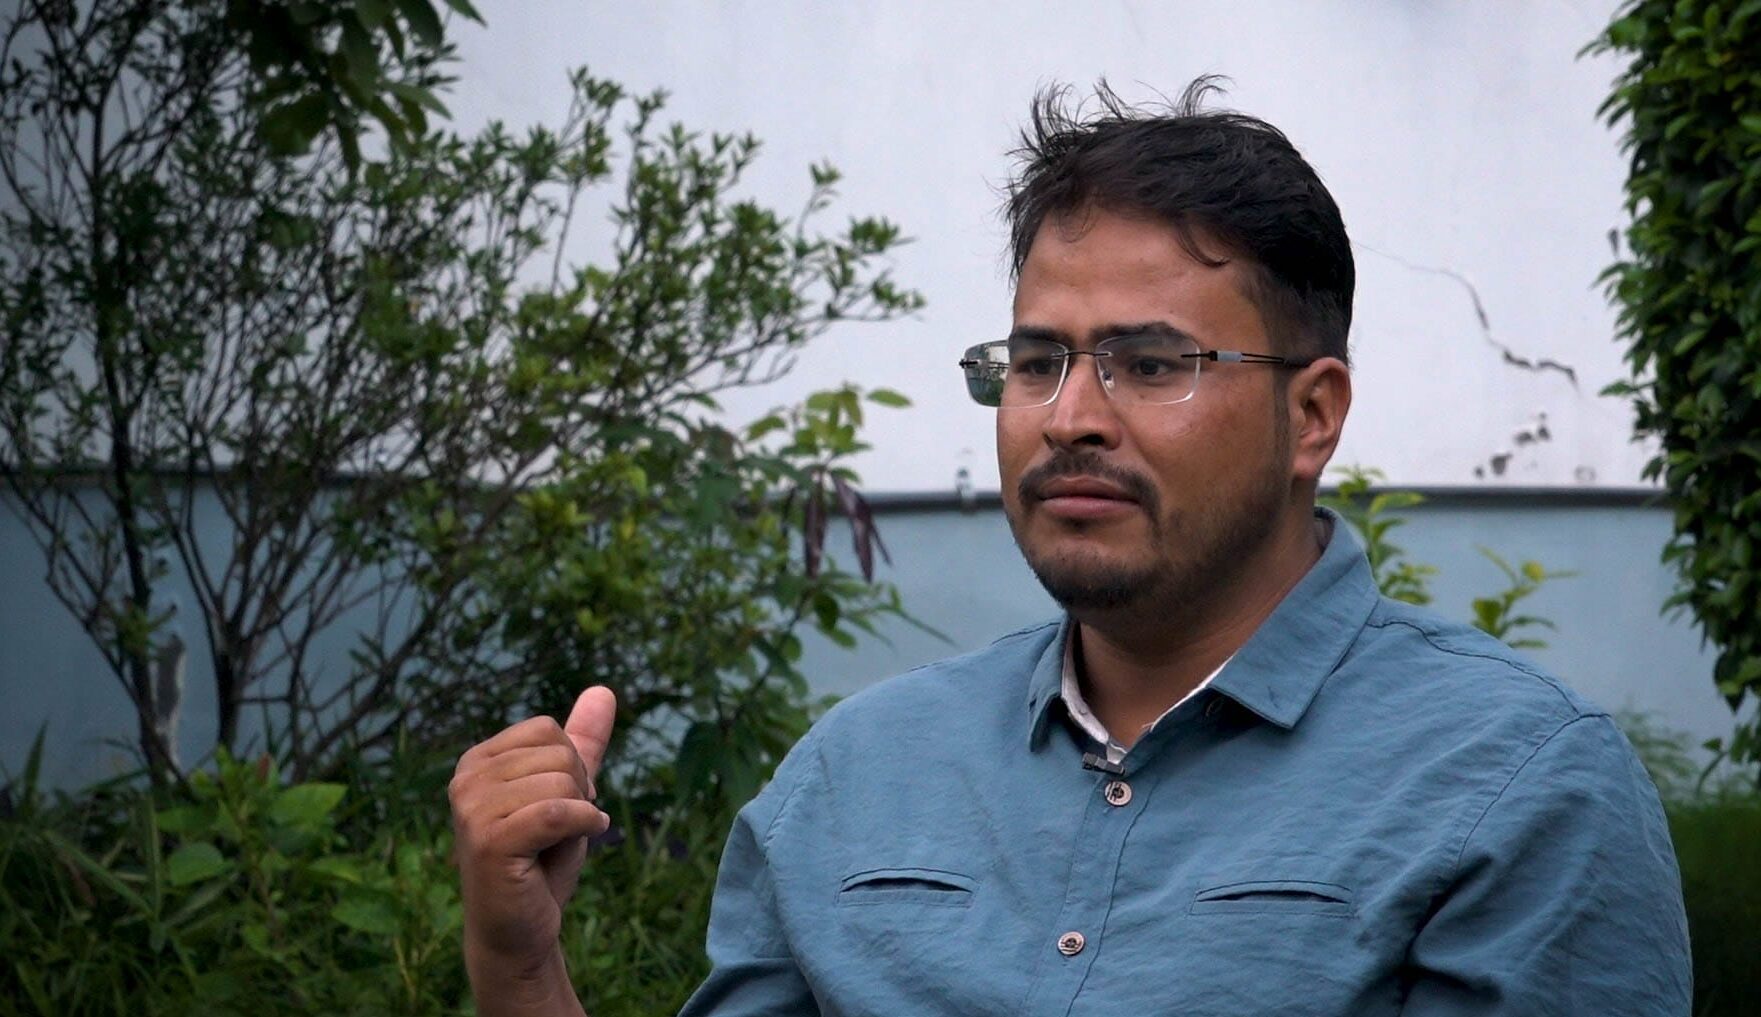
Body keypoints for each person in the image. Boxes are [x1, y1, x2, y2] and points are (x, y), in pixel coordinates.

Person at [448, 79, 1692, 1016]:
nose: (1069, 416)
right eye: (1037, 360)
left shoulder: (1516, 786)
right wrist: (519, 966)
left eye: (1150, 364)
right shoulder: (855, 777)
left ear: (1312, 416)